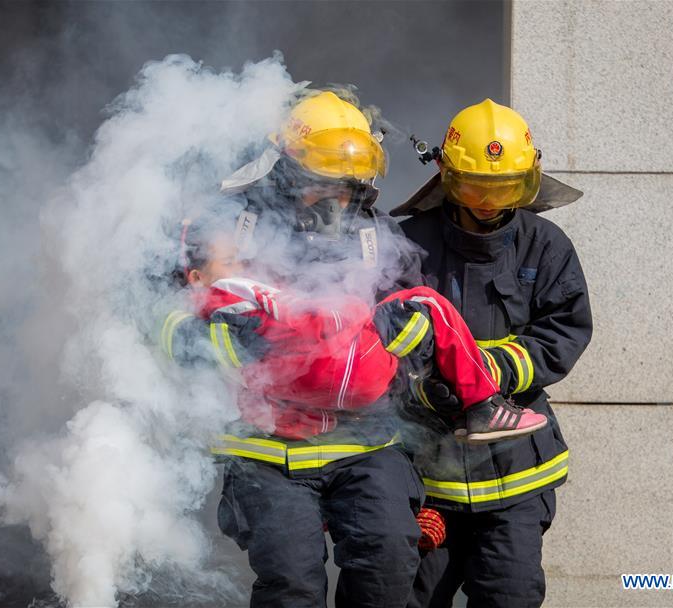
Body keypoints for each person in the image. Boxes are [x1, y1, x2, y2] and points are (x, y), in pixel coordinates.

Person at [160, 90, 425, 608]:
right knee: (293, 586)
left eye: (347, 185)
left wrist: (398, 344)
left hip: (365, 443)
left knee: (389, 567)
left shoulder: (378, 237)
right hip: (265, 446)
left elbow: (414, 319)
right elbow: (162, 316)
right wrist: (235, 345)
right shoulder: (226, 227)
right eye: (322, 183)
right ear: (287, 171)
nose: (337, 199)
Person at [393, 99, 593, 608]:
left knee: (512, 595)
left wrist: (488, 369)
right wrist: (422, 383)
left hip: (515, 474)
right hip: (427, 476)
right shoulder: (407, 245)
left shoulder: (545, 245)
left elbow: (563, 334)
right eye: (476, 186)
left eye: (503, 188)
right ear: (445, 172)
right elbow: (378, 339)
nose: (487, 201)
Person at [167, 218, 547, 442]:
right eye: (232, 260)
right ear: (198, 277)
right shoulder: (233, 289)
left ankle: (319, 421)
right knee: (429, 303)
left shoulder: (205, 317)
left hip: (309, 402)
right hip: (355, 370)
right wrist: (355, 312)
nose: (245, 265)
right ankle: (485, 406)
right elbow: (306, 318)